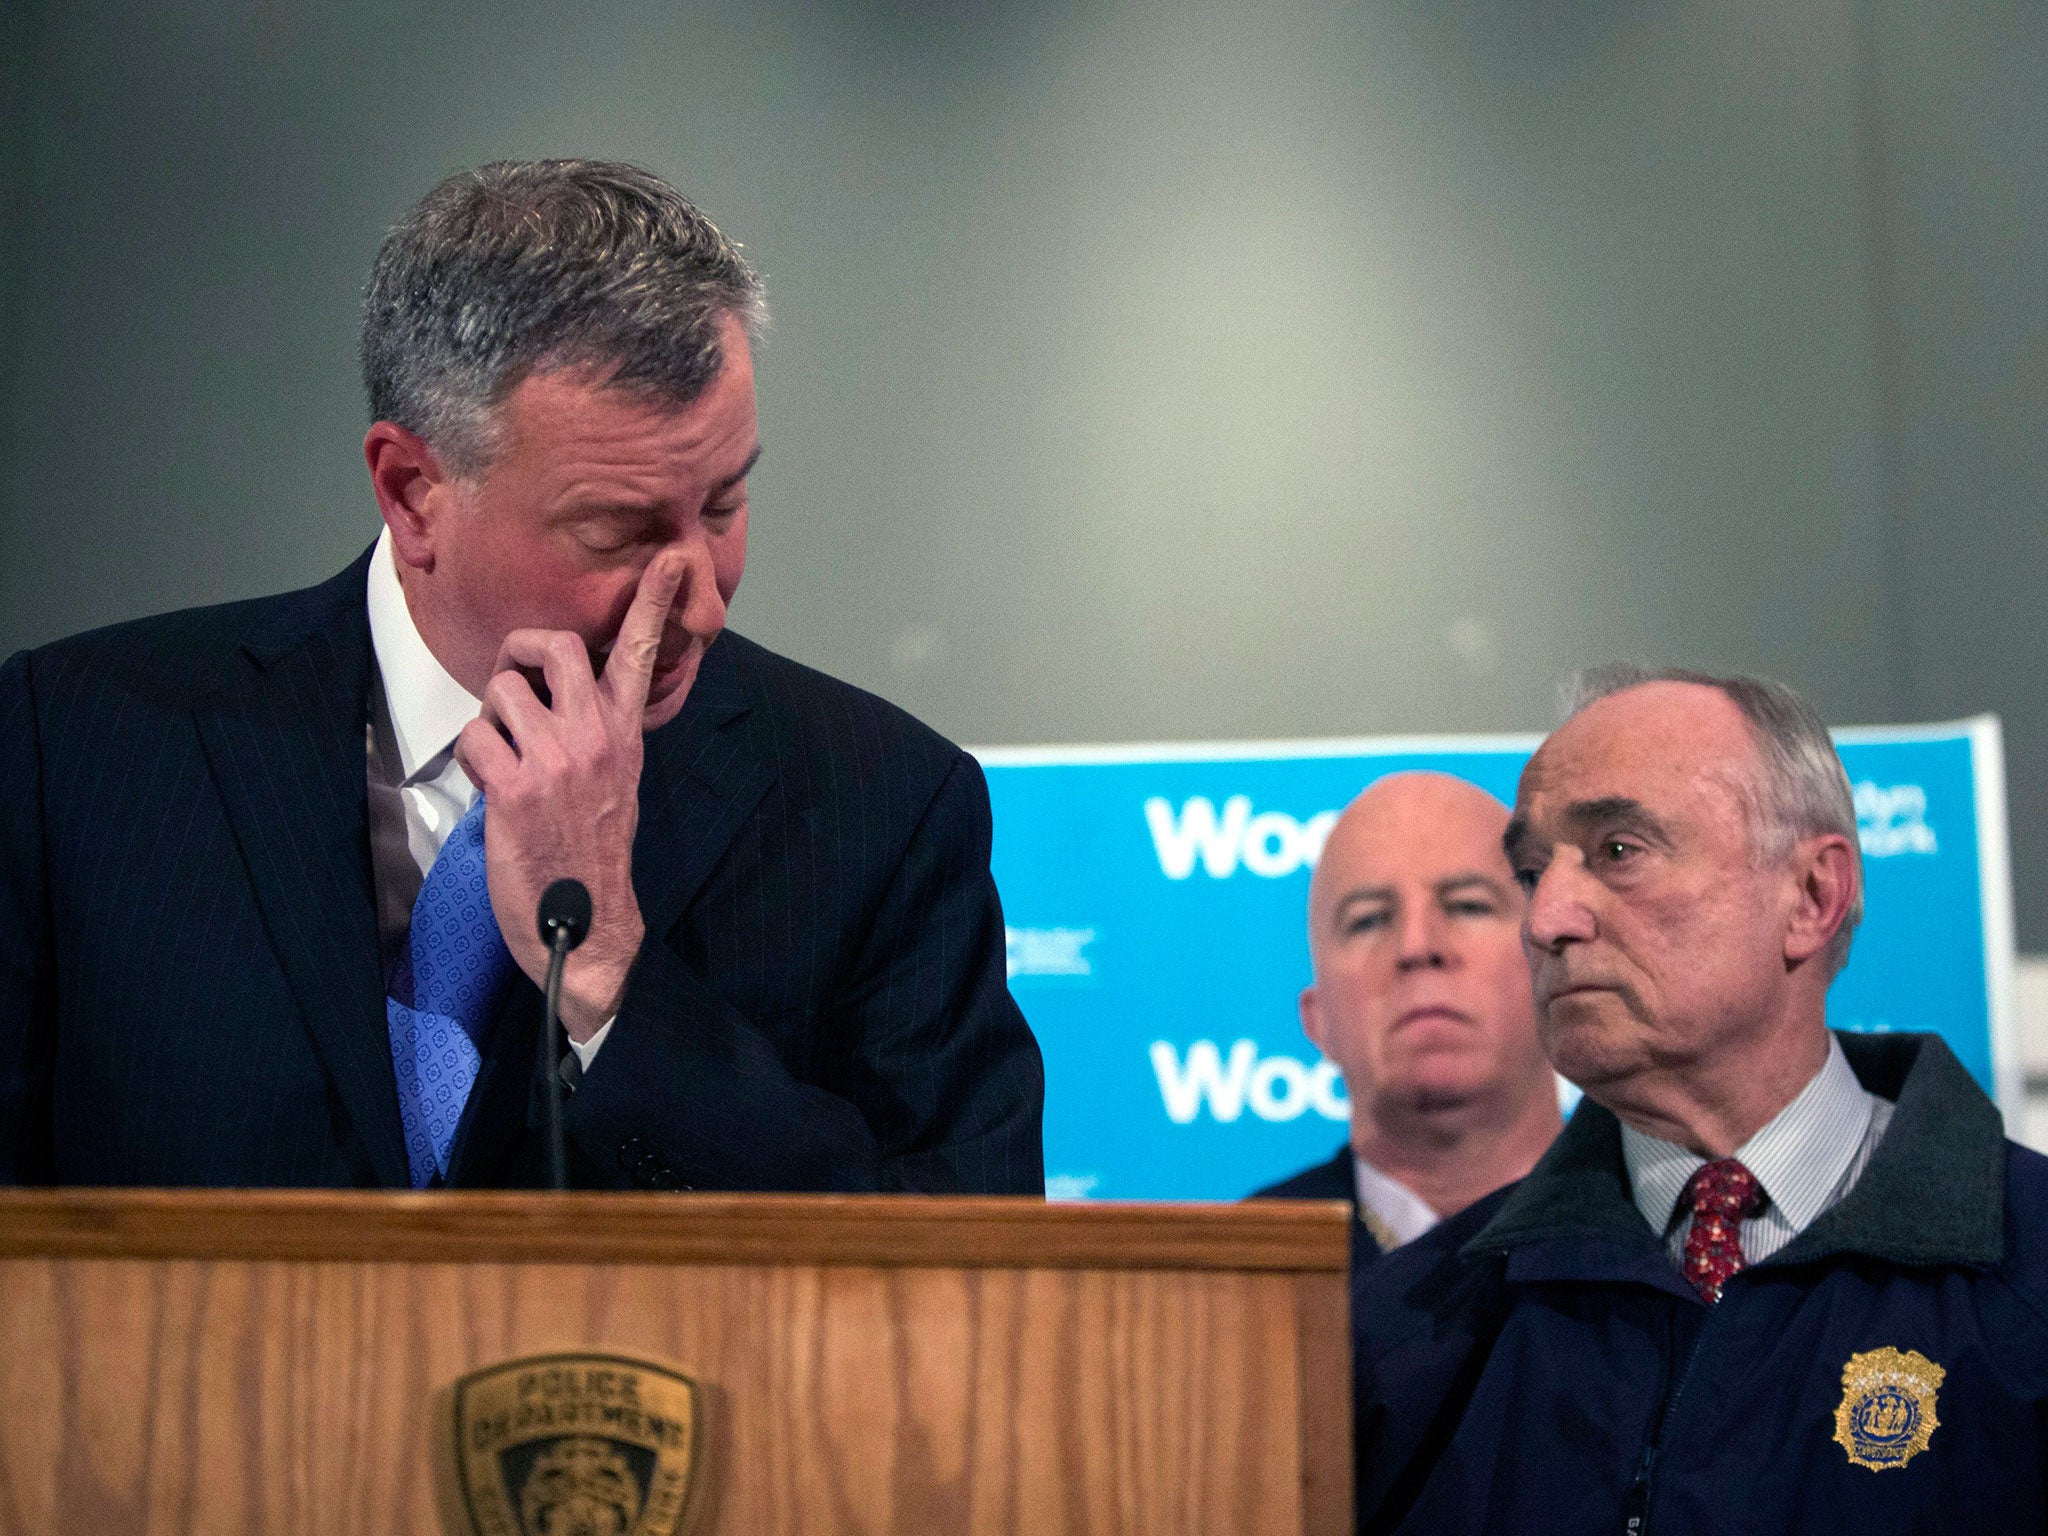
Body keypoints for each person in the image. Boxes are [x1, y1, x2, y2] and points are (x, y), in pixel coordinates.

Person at [0, 159, 1045, 1194]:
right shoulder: (77, 750)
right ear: (411, 493)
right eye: (617, 531)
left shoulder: (880, 804)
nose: (703, 602)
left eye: (724, 505)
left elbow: (958, 1286)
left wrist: (608, 978)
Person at [1351, 666, 2048, 1534]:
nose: (1546, 919)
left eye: (1617, 851)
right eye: (1532, 872)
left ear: (1812, 897)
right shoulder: (1409, 1330)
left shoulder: (2031, 1271)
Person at [1250, 772, 1560, 1263]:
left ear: (1555, 976)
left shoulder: (1670, 1233)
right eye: (1369, 919)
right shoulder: (1241, 1272)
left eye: (1468, 906)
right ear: (1318, 1019)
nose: (1418, 947)